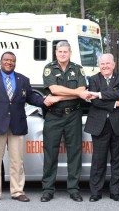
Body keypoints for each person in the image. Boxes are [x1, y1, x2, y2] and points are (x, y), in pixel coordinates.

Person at [0, 51, 52, 203]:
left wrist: (45, 100)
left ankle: (17, 191)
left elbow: (31, 97)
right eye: (6, 60)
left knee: (17, 161)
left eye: (12, 60)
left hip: (16, 125)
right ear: (1, 61)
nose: (9, 62)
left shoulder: (23, 80)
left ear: (15, 63)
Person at [41, 41, 88, 202]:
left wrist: (59, 97)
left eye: (65, 52)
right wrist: (75, 93)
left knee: (74, 153)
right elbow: (54, 89)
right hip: (53, 116)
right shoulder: (49, 68)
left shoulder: (78, 69)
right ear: (56, 53)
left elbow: (83, 91)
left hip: (73, 115)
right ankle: (48, 189)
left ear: (70, 53)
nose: (62, 54)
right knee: (50, 153)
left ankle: (74, 189)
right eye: (60, 51)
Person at [84, 53, 119, 202]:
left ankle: (115, 192)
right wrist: (116, 103)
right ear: (99, 66)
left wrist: (99, 94)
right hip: (99, 125)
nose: (105, 66)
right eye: (102, 64)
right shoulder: (93, 79)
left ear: (113, 65)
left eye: (108, 63)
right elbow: (95, 102)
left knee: (118, 159)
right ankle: (96, 192)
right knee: (98, 160)